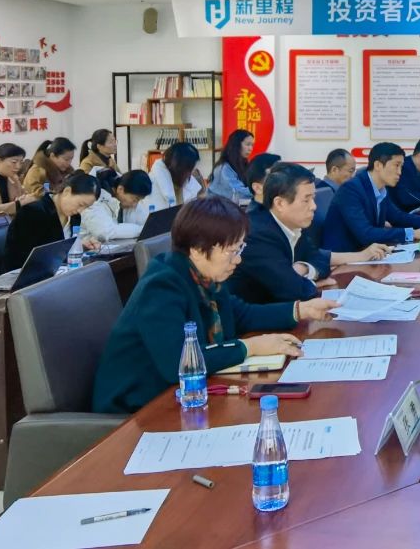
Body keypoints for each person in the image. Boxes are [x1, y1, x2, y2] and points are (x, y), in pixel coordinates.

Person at [92, 196, 338, 414]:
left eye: (240, 248)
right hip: (135, 410)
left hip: (182, 396)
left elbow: (242, 314)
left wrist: (300, 309)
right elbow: (178, 362)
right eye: (232, 251)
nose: (238, 260)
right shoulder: (162, 286)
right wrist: (250, 347)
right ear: (198, 250)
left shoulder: (204, 276)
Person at [227, 163, 386, 304]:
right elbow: (292, 289)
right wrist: (311, 284)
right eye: (306, 200)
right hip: (259, 321)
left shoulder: (292, 223)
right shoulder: (258, 234)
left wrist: (304, 268)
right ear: (280, 203)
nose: (314, 206)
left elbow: (318, 258)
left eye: (313, 198)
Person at [325, 142, 420, 252]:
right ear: (378, 165)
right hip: (344, 257)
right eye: (396, 165)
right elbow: (366, 234)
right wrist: (413, 233)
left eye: (401, 167)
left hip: (369, 252)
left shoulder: (380, 189)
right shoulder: (351, 189)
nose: (399, 172)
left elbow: (397, 216)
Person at [4, 172, 100, 269]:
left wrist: (79, 246)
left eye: (86, 207)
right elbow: (19, 257)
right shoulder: (32, 212)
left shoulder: (75, 217)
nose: (80, 210)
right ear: (67, 191)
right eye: (80, 204)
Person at [81, 169, 153, 241]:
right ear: (120, 189)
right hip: (86, 246)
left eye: (139, 200)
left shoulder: (127, 197)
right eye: (135, 200)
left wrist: (148, 227)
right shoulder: (92, 198)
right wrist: (142, 230)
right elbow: (105, 231)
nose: (135, 205)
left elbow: (145, 222)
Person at [147, 142, 206, 208]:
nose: (190, 173)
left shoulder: (188, 181)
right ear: (178, 167)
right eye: (189, 169)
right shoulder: (152, 184)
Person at [207, 129, 254, 203]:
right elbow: (237, 192)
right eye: (247, 144)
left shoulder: (243, 164)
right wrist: (260, 192)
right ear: (236, 145)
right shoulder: (223, 168)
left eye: (252, 145)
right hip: (218, 207)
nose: (250, 149)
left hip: (232, 205)